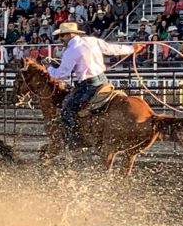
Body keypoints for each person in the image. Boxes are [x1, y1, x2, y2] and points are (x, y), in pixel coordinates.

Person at [47, 21, 142, 151]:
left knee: (67, 110)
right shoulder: (92, 41)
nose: (60, 39)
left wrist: (49, 69)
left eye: (61, 36)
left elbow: (62, 74)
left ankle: (76, 141)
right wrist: (132, 49)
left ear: (68, 35)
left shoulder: (70, 51)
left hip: (89, 84)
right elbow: (112, 49)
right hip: (102, 80)